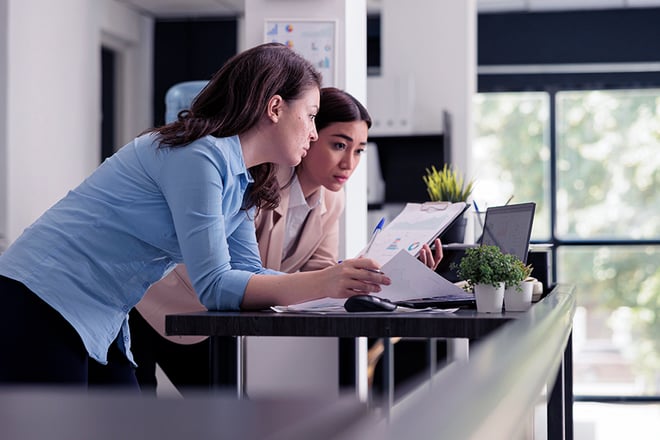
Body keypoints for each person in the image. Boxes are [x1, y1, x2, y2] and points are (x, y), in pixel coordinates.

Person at [0, 43, 391, 388]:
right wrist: (326, 281)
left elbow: (248, 277)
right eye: (309, 116)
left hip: (103, 311)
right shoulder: (200, 156)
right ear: (274, 108)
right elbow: (216, 286)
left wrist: (344, 282)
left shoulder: (243, 179)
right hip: (44, 295)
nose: (312, 132)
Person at [128, 87, 443, 394]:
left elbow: (318, 274)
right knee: (129, 418)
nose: (349, 163)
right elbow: (243, 273)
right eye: (339, 145)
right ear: (309, 135)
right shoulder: (257, 182)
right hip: (152, 302)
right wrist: (332, 278)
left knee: (222, 418)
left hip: (208, 319)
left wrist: (382, 272)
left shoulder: (332, 201)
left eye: (359, 150)